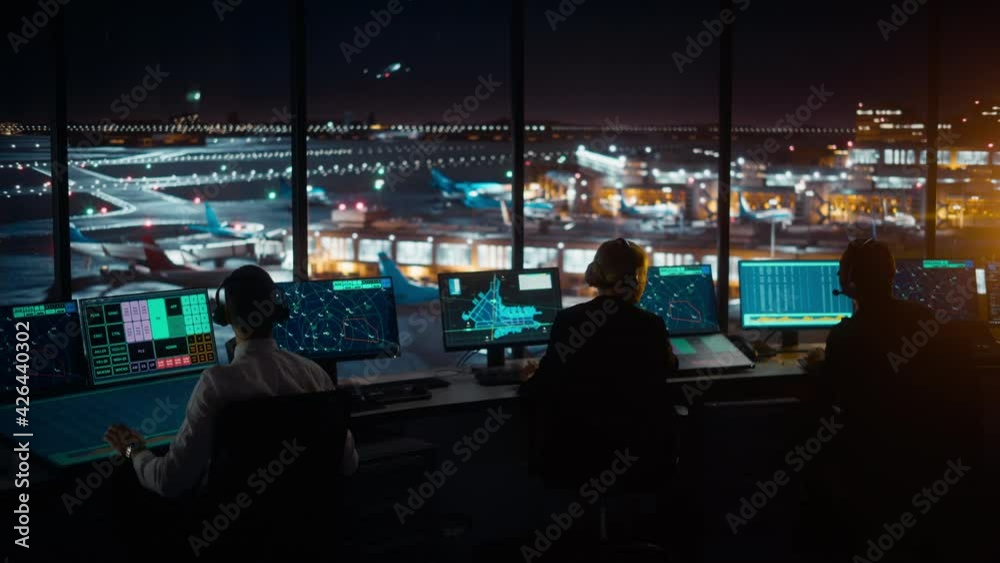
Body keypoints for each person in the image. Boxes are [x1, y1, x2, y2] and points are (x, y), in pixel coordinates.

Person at [103, 265, 359, 499]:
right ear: (278, 311)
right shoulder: (315, 375)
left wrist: (133, 450)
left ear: (223, 316)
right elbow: (349, 464)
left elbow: (169, 481)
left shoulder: (216, 384)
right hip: (308, 535)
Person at [519, 238, 679, 480]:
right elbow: (667, 371)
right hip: (639, 460)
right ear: (637, 278)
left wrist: (530, 377)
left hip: (576, 456)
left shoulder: (569, 320)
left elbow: (540, 388)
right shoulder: (651, 325)